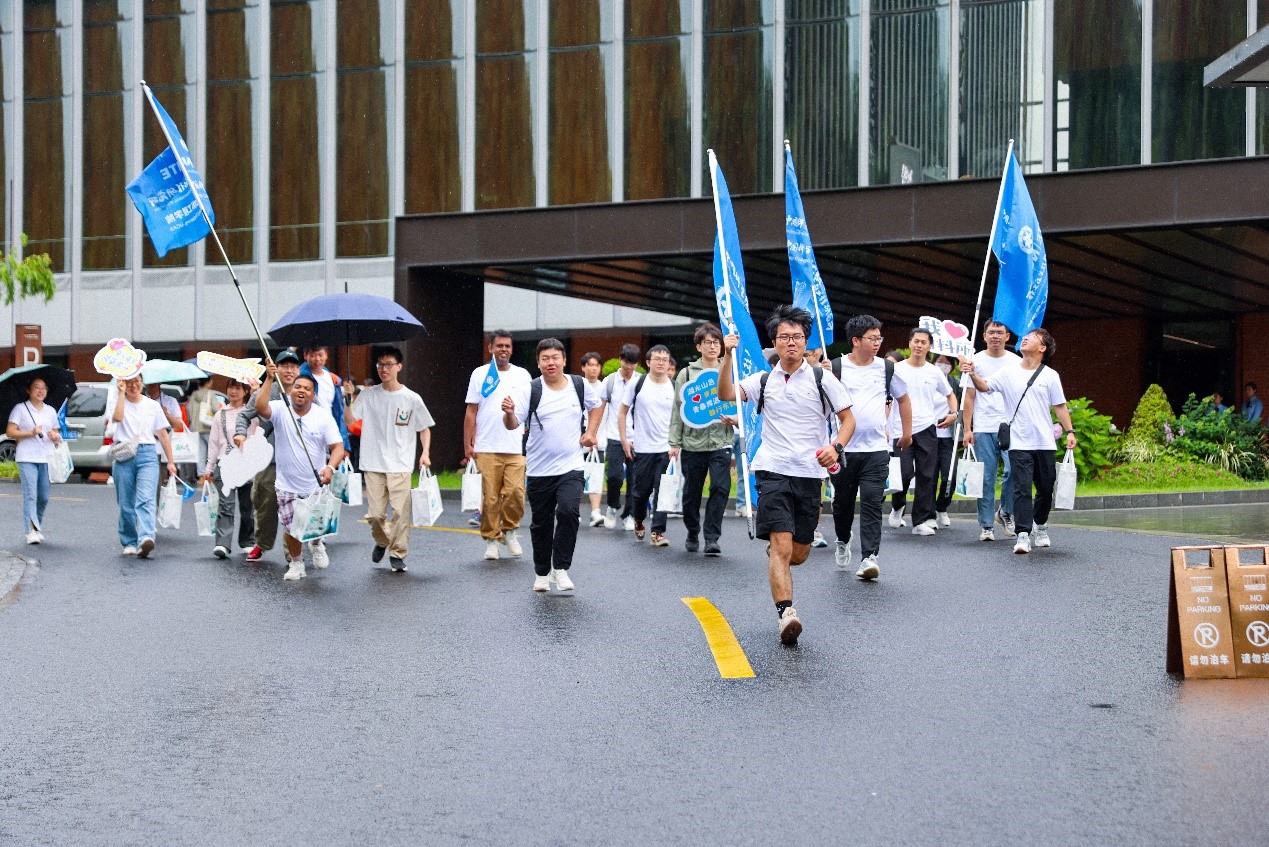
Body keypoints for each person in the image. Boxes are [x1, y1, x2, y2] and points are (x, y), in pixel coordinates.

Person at [719, 305, 855, 645]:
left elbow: (848, 419)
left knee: (799, 553)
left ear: (805, 342)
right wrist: (726, 355)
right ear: (775, 342)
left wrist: (835, 447)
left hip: (810, 472)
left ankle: (783, 554)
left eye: (796, 337)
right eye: (784, 337)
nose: (790, 343)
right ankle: (786, 614)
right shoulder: (763, 380)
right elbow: (726, 395)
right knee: (781, 544)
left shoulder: (823, 379)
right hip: (772, 468)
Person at [960, 328, 1077, 555]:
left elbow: (1059, 406)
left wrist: (1069, 430)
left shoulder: (1050, 375)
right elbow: (984, 387)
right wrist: (973, 373)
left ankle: (1040, 525)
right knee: (1021, 488)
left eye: (1032, 337)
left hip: (1044, 442)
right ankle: (1022, 534)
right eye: (1025, 337)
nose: (1025, 338)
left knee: (1045, 486)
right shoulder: (1007, 372)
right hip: (1018, 441)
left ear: (1042, 348)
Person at [501, 338, 602, 592]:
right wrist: (510, 413)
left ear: (564, 360)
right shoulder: (530, 390)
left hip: (571, 466)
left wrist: (591, 432)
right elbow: (512, 425)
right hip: (538, 469)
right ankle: (542, 573)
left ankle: (561, 568)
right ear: (538, 363)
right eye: (545, 359)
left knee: (569, 512)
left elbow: (597, 407)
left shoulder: (578, 385)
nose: (550, 363)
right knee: (541, 523)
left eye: (555, 358)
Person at [827, 316, 911, 579]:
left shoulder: (886, 369)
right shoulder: (836, 368)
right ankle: (842, 538)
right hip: (842, 449)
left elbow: (903, 399)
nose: (877, 343)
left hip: (876, 448)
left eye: (879, 338)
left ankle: (869, 557)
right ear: (855, 340)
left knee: (873, 502)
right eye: (872, 338)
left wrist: (906, 432)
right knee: (842, 503)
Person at [347, 346, 434, 572]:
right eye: (380, 365)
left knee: (399, 513)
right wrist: (347, 398)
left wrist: (425, 453)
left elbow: (424, 428)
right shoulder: (368, 395)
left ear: (399, 366)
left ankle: (398, 553)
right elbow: (350, 420)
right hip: (373, 463)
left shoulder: (411, 398)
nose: (383, 369)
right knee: (375, 515)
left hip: (401, 463)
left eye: (388, 365)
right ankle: (383, 540)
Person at [255, 363, 346, 581]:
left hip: (314, 484)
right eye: (297, 387)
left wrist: (330, 467)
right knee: (292, 528)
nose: (301, 391)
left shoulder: (323, 417)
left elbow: (337, 447)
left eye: (306, 388)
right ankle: (296, 564)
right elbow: (260, 407)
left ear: (313, 395)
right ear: (290, 390)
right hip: (286, 485)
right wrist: (268, 379)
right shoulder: (280, 409)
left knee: (314, 525)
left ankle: (317, 543)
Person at [464, 330, 532, 561]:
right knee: (490, 498)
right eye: (499, 345)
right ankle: (492, 540)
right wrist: (468, 444)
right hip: (486, 445)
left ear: (512, 349)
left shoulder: (522, 375)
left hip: (515, 446)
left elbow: (528, 409)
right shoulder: (480, 374)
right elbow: (471, 411)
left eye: (507, 346)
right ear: (491, 348)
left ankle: (510, 531)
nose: (504, 349)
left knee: (515, 493)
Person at [668, 324, 735, 556]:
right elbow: (678, 410)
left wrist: (735, 420)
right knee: (692, 492)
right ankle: (692, 530)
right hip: (692, 443)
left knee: (720, 487)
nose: (713, 346)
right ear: (699, 346)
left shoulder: (729, 370)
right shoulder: (686, 374)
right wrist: (674, 443)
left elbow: (741, 403)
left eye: (717, 342)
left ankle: (712, 537)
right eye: (708, 342)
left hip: (721, 442)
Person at [235, 349, 303, 562]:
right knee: (264, 503)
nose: (289, 370)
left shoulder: (305, 392)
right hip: (269, 458)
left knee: (295, 509)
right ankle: (261, 543)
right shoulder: (268, 390)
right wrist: (240, 434)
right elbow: (245, 415)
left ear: (298, 370)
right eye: (285, 366)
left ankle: (292, 552)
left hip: (297, 461)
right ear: (276, 368)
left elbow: (320, 420)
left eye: (293, 367)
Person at [889, 328, 957, 537]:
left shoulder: (934, 371)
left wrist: (954, 413)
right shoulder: (896, 369)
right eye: (916, 341)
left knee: (927, 475)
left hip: (927, 427)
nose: (919, 345)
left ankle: (920, 520)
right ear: (909, 343)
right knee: (904, 474)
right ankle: (898, 505)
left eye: (923, 342)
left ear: (929, 347)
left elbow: (950, 395)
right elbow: (886, 397)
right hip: (900, 428)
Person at [961, 319, 1021, 541]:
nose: (995, 336)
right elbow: (969, 397)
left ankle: (1005, 511)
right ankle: (986, 525)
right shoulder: (973, 361)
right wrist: (968, 429)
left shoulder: (1017, 362)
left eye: (1000, 332)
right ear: (984, 336)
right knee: (985, 477)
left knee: (1013, 470)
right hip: (984, 426)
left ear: (1007, 336)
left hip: (1009, 426)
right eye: (991, 332)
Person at [110, 375, 179, 558]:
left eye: (137, 382)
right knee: (125, 502)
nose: (134, 386)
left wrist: (170, 462)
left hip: (148, 453)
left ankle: (146, 537)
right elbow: (117, 417)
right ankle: (129, 541)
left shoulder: (152, 406)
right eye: (130, 383)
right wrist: (121, 392)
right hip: (124, 454)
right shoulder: (118, 401)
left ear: (143, 383)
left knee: (146, 497)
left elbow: (163, 434)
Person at [619, 345, 676, 547]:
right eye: (657, 358)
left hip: (666, 448)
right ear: (648, 361)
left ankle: (658, 532)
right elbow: (623, 412)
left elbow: (679, 418)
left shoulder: (674, 386)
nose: (661, 362)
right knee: (641, 491)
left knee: (662, 490)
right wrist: (625, 439)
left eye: (665, 359)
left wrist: (677, 444)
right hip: (642, 448)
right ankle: (639, 519)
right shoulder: (637, 383)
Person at [200, 378, 256, 559]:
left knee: (248, 506)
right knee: (226, 506)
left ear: (246, 391)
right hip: (225, 463)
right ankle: (222, 544)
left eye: (238, 388)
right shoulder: (220, 414)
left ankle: (247, 541)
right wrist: (209, 468)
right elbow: (214, 443)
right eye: (231, 387)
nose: (234, 391)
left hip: (247, 464)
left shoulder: (252, 414)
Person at [6, 378, 63, 545]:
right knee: (30, 494)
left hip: (46, 458)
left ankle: (36, 526)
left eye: (43, 388)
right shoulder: (20, 409)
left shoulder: (51, 411)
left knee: (44, 496)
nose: (40, 391)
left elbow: (56, 431)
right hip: (26, 457)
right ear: (28, 391)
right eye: (36, 388)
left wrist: (55, 436)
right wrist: (30, 432)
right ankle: (29, 530)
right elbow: (10, 431)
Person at [598, 343, 641, 530]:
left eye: (632, 363)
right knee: (615, 476)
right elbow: (601, 408)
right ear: (621, 360)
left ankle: (629, 514)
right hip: (615, 435)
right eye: (626, 362)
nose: (629, 367)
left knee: (634, 478)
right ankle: (613, 505)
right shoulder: (609, 381)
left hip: (638, 437)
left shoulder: (641, 381)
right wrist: (594, 433)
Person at [300, 346, 350, 450]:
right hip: (309, 431)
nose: (317, 359)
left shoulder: (334, 379)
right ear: (305, 356)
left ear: (326, 355)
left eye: (320, 355)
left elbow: (339, 412)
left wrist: (344, 444)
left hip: (330, 429)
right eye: (313, 355)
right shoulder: (300, 377)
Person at [932, 354, 961, 528]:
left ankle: (942, 507)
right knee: (930, 476)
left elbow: (963, 401)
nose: (943, 365)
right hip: (929, 436)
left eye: (947, 362)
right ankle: (928, 512)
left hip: (948, 438)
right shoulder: (928, 380)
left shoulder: (955, 384)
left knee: (950, 473)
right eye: (939, 361)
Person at [579, 351, 606, 526]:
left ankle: (596, 512)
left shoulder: (604, 388)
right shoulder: (577, 386)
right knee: (576, 478)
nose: (594, 368)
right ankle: (574, 511)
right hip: (577, 442)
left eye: (597, 365)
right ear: (583, 367)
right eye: (590, 365)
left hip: (599, 441)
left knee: (596, 476)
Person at [188, 376, 221, 476]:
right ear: (207, 383)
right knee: (214, 451)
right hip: (208, 427)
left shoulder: (194, 395)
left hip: (196, 428)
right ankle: (213, 472)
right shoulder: (210, 394)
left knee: (200, 452)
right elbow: (216, 409)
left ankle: (201, 474)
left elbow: (189, 410)